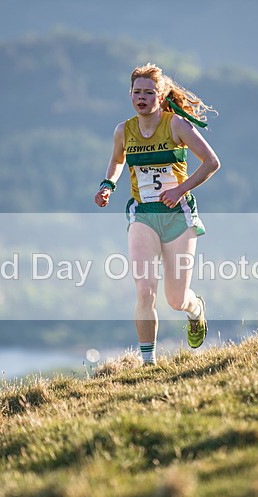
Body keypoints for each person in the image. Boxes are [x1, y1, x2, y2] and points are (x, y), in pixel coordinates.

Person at [94, 63, 220, 365]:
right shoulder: (123, 131)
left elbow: (211, 162)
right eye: (137, 92)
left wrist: (179, 190)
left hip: (179, 217)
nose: (142, 97)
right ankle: (148, 365)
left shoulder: (176, 125)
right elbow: (117, 160)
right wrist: (108, 185)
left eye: (149, 92)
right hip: (143, 216)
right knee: (145, 290)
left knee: (176, 299)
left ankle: (196, 310)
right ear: (130, 95)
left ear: (160, 96)